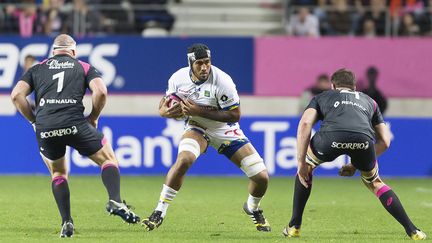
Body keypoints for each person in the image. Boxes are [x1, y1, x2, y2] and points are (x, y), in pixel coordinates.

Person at [10, 34, 140, 238]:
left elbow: (16, 95)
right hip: (75, 123)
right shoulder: (83, 66)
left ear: (53, 52)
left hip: (46, 127)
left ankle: (66, 222)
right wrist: (94, 117)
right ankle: (115, 199)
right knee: (108, 159)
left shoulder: (37, 68)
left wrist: (34, 121)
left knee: (59, 174)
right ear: (73, 52)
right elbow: (101, 92)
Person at [283, 69, 426, 240]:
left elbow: (305, 123)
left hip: (330, 138)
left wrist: (301, 163)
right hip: (363, 141)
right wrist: (356, 164)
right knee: (375, 182)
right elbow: (385, 141)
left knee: (306, 170)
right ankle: (413, 230)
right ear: (355, 86)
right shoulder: (370, 102)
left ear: (333, 85)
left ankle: (294, 226)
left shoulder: (322, 97)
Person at [142, 43, 271, 232]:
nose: (204, 67)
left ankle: (252, 208)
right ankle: (159, 211)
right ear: (190, 64)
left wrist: (198, 110)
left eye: (207, 62)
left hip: (224, 129)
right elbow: (166, 101)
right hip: (197, 127)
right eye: (199, 63)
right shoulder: (177, 78)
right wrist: (163, 111)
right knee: (184, 160)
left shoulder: (223, 81)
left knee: (261, 177)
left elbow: (235, 115)